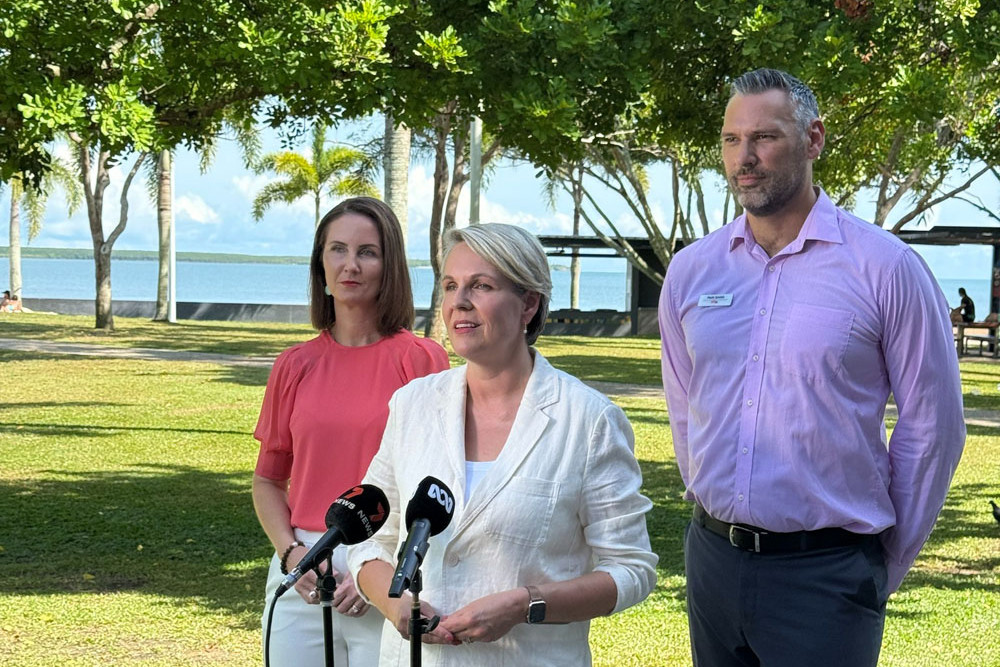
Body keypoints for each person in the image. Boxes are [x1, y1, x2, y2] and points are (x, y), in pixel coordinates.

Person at [658, 68, 965, 667]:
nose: (744, 158)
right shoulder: (693, 271)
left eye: (765, 137)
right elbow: (684, 400)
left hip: (827, 576)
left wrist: (880, 562)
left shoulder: (887, 268)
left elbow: (933, 429)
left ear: (814, 139)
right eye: (730, 140)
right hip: (712, 560)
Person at [348, 223, 657, 666]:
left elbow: (631, 570)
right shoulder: (412, 404)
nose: (459, 302)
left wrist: (524, 605)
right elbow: (370, 538)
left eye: (482, 285)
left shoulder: (588, 421)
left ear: (529, 304)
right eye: (451, 285)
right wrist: (395, 605)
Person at [252, 197, 450, 666]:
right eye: (337, 249)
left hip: (387, 567)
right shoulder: (294, 365)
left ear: (389, 266)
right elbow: (267, 481)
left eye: (368, 252)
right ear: (320, 263)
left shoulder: (420, 361)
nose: (351, 265)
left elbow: (434, 483)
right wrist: (291, 554)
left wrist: (375, 573)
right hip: (302, 565)